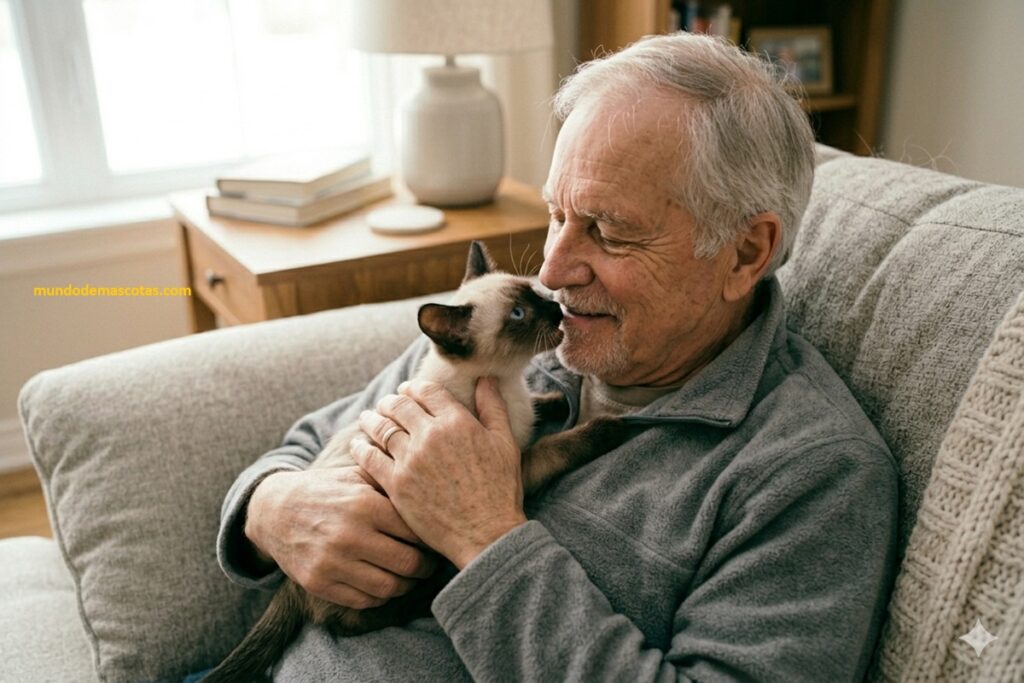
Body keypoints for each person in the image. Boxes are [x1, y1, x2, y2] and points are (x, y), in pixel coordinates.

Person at [215, 32, 897, 681]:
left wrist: (484, 535)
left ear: (745, 251)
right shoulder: (526, 338)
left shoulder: (812, 473)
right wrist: (279, 509)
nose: (553, 268)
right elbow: (311, 442)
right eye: (556, 215)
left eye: (607, 230)